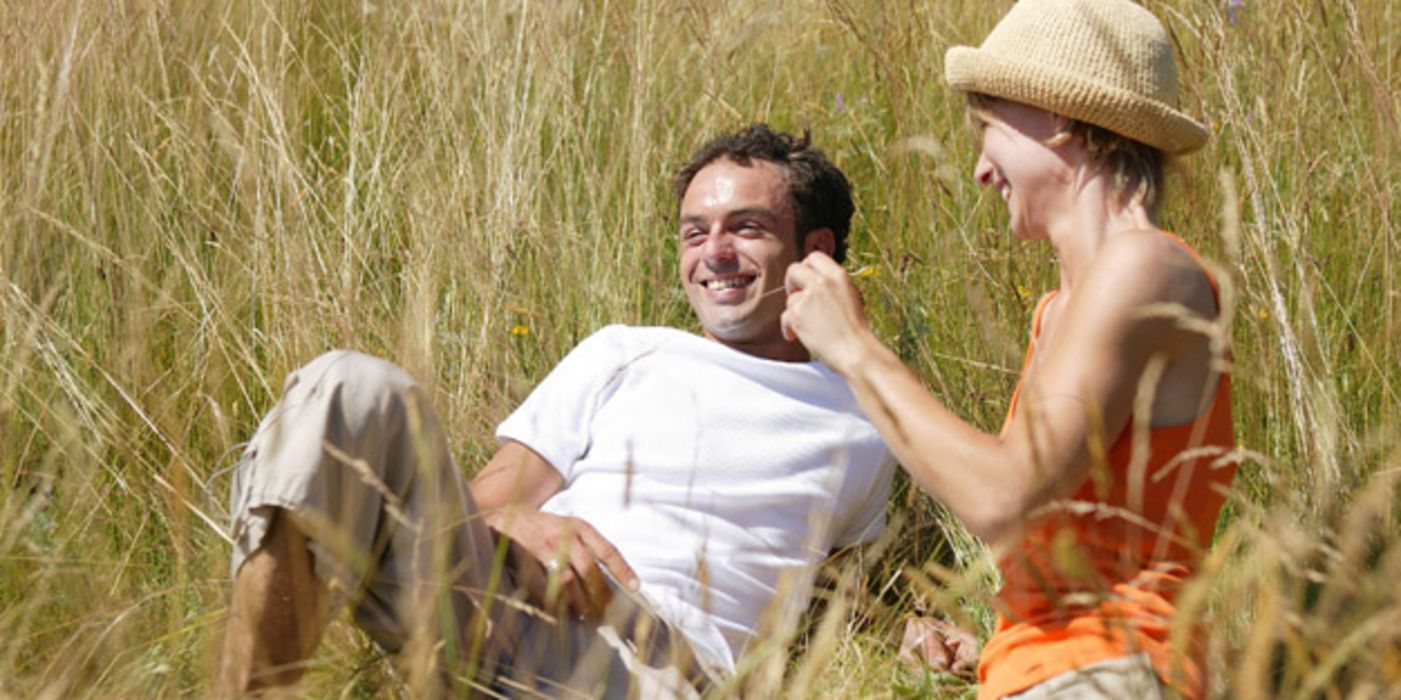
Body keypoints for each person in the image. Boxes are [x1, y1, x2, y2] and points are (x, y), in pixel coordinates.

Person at [219, 124, 896, 697]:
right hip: (506, 602)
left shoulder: (865, 417)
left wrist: (911, 628)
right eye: (694, 233)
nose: (712, 254)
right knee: (347, 384)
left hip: (652, 669)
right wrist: (516, 521)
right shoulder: (629, 353)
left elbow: (844, 593)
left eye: (745, 228)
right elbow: (484, 500)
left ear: (815, 252)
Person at [780, 1, 1236, 698]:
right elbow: (1045, 537)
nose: (979, 172)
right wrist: (998, 642)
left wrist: (857, 351)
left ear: (1057, 121)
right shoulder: (1063, 307)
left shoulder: (1144, 266)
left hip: (1116, 670)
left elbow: (1004, 500)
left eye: (986, 129)